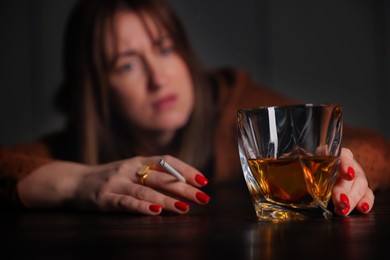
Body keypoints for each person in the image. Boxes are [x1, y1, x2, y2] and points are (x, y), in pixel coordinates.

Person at [0, 0, 389, 216]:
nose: (159, 77)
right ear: (95, 90)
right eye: (127, 64)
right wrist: (75, 182)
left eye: (164, 48)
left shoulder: (235, 103)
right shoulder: (76, 142)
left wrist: (348, 172)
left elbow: (371, 144)